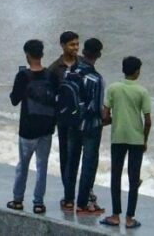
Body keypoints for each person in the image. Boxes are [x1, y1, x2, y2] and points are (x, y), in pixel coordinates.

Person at [100, 56, 152, 230]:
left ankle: (115, 215)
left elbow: (105, 116)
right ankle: (129, 218)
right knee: (133, 178)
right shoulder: (142, 91)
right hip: (136, 139)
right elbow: (148, 121)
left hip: (118, 138)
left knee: (116, 176)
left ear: (123, 69)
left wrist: (116, 119)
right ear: (137, 71)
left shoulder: (113, 88)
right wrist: (144, 140)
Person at [7, 39, 56, 214]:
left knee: (23, 166)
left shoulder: (23, 76)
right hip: (46, 128)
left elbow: (14, 100)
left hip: (28, 129)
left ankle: (18, 200)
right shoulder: (51, 75)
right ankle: (38, 203)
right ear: (42, 55)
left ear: (27, 55)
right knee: (42, 167)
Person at [58, 37, 106, 215]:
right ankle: (83, 203)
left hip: (71, 122)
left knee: (71, 161)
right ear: (98, 55)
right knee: (89, 163)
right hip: (90, 126)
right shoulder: (97, 79)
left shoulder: (70, 71)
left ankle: (68, 200)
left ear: (84, 52)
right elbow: (97, 108)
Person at [48, 30, 80, 210]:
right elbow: (51, 97)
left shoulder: (83, 64)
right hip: (63, 120)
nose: (75, 48)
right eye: (72, 44)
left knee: (78, 156)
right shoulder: (54, 69)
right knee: (65, 156)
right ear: (62, 45)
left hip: (80, 120)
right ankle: (68, 193)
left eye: (77, 44)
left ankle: (79, 192)